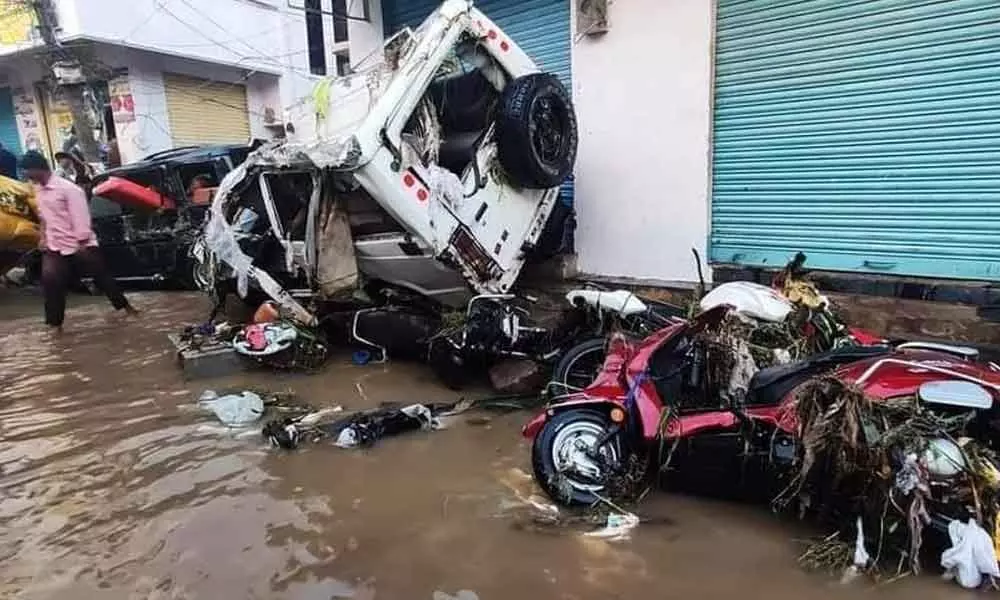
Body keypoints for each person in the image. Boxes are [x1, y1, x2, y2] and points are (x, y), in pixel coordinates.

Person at [19, 150, 137, 332]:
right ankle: (54, 326)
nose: (25, 176)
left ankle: (126, 308)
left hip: (80, 244)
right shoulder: (39, 190)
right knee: (51, 281)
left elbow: (81, 217)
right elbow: (44, 216)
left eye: (27, 171)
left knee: (102, 277)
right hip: (55, 245)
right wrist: (43, 237)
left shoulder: (69, 189)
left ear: (37, 169)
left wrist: (81, 242)